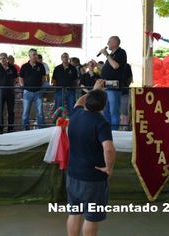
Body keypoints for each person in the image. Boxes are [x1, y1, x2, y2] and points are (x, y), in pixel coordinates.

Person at [67, 79, 115, 236]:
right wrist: (109, 168)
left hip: (73, 175)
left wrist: (93, 90)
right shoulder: (101, 123)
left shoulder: (76, 114)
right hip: (92, 178)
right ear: (104, 106)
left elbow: (79, 102)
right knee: (91, 217)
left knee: (74, 214)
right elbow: (108, 147)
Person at [91, 36, 127, 131]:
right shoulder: (111, 55)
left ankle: (115, 131)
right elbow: (106, 68)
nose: (107, 44)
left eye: (109, 41)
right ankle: (107, 130)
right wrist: (96, 65)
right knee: (105, 110)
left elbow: (115, 66)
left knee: (113, 111)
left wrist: (106, 54)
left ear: (115, 43)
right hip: (105, 87)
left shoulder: (121, 52)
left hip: (114, 87)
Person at [19, 48, 46, 130]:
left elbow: (44, 78)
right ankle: (25, 129)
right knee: (26, 112)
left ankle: (41, 129)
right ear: (29, 56)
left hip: (38, 92)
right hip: (27, 92)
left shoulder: (41, 66)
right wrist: (27, 86)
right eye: (34, 54)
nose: (35, 56)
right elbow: (21, 79)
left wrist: (38, 87)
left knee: (40, 112)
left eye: (36, 54)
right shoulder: (24, 67)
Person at [0, 52, 18, 134]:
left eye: (4, 58)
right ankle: (0, 129)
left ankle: (10, 128)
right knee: (0, 111)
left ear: (7, 59)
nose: (2, 60)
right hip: (1, 92)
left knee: (11, 111)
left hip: (10, 92)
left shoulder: (12, 68)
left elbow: (15, 79)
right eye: (1, 59)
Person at [120, 64, 133, 131]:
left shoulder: (127, 66)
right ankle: (114, 128)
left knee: (125, 111)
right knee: (113, 111)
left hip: (124, 91)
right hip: (113, 91)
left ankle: (125, 127)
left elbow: (130, 79)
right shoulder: (110, 64)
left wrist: (126, 85)